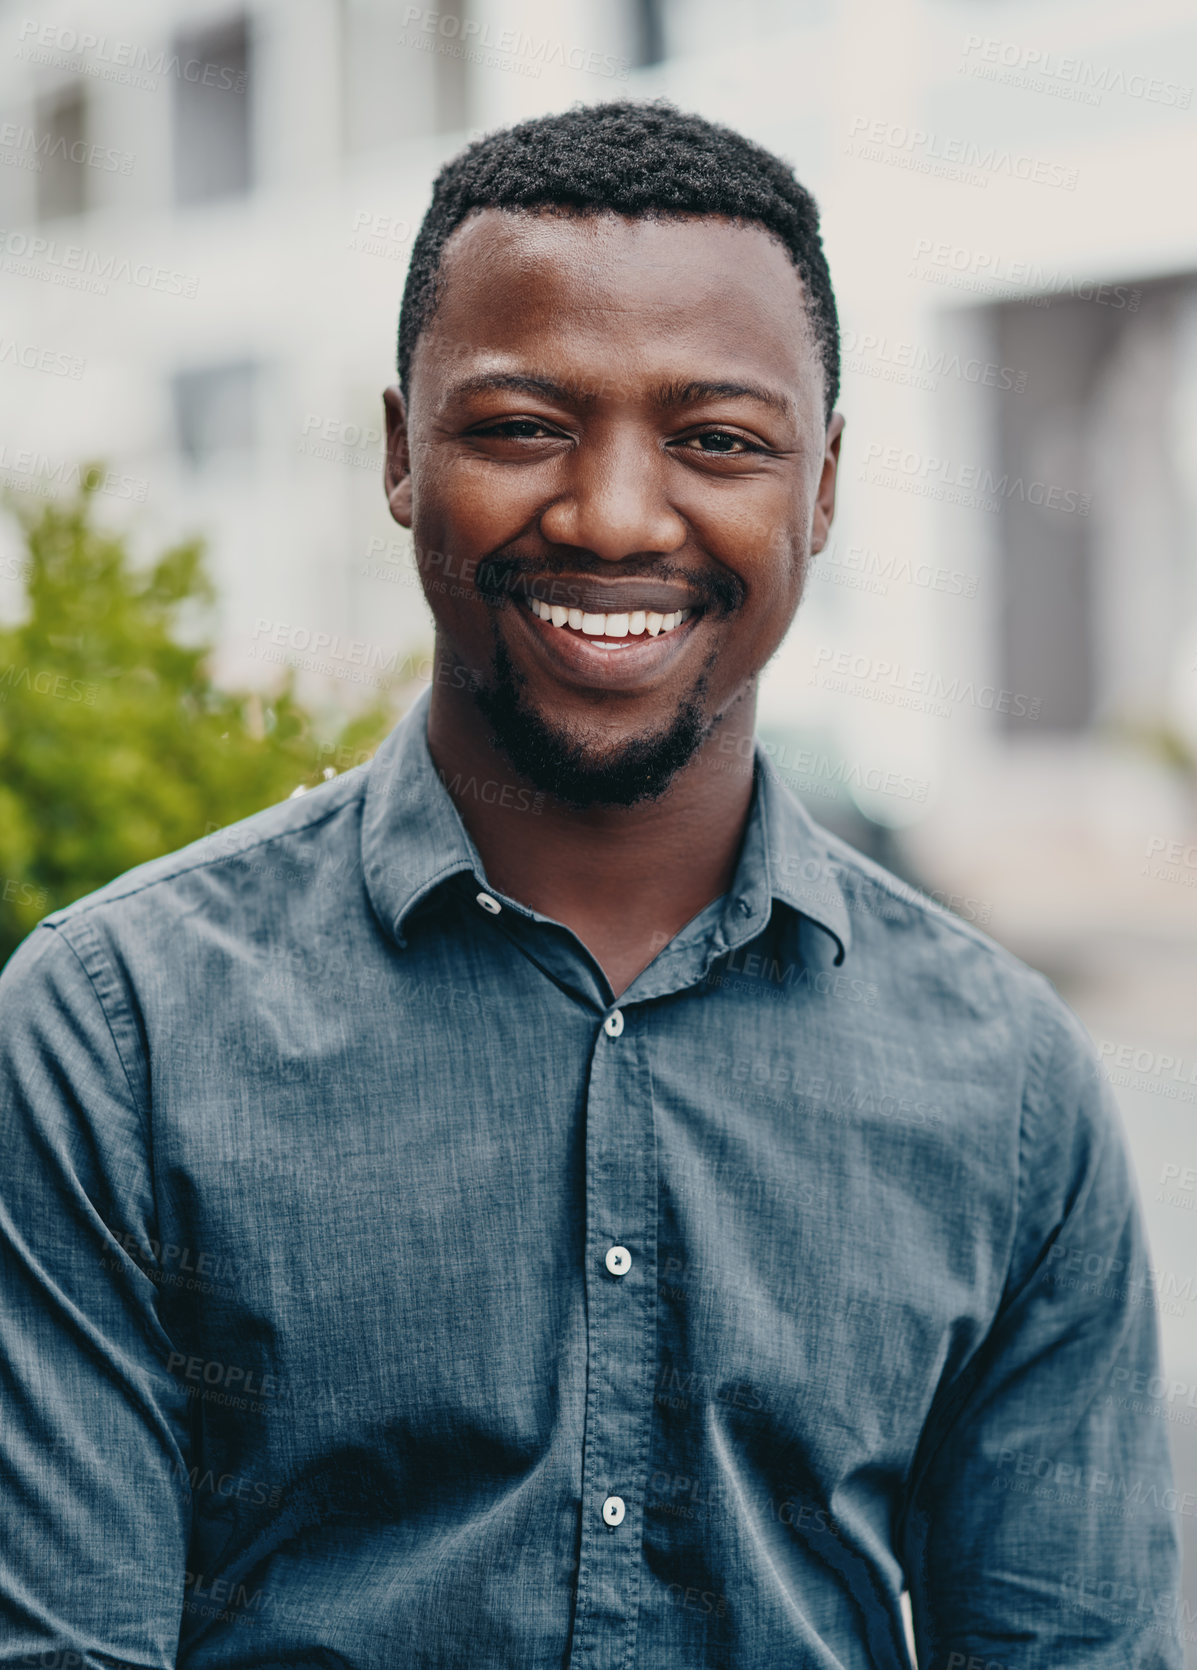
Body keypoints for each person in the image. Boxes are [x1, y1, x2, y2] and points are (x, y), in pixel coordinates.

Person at [0, 100, 1183, 1669]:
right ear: (398, 458)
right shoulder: (115, 1031)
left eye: (717, 440)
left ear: (820, 487)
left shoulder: (1007, 1085)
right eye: (519, 426)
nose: (616, 515)